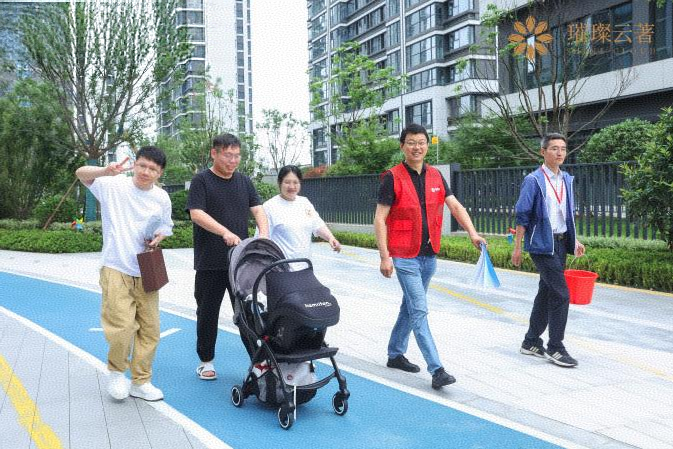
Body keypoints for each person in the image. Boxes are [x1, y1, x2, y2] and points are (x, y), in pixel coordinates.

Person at [374, 123, 486, 389]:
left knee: (410, 306)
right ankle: (437, 370)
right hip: (404, 256)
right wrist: (384, 256)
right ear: (402, 146)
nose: (417, 147)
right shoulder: (392, 177)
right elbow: (379, 219)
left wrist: (472, 233)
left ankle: (395, 354)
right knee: (419, 310)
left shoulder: (436, 175)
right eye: (411, 142)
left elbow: (455, 205)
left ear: (427, 145)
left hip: (428, 255)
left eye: (421, 142)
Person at [75, 146, 173, 402]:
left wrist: (160, 236)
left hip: (147, 269)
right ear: (135, 165)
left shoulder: (162, 197)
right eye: (142, 165)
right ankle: (117, 373)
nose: (146, 172)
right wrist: (105, 170)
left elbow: (166, 226)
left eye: (153, 169)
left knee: (150, 329)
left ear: (160, 173)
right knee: (122, 327)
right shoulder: (113, 185)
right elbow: (80, 173)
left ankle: (141, 381)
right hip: (116, 266)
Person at [186, 133, 269, 381]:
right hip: (210, 262)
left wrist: (263, 235)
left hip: (240, 264)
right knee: (207, 313)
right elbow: (196, 214)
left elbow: (258, 210)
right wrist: (224, 232)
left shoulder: (244, 181)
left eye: (237, 156)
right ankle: (206, 361)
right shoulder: (201, 180)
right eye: (228, 155)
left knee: (249, 313)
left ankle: (259, 362)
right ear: (214, 153)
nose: (233, 160)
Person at [511, 133, 585, 367]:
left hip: (561, 243)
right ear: (543, 152)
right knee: (561, 294)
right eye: (554, 148)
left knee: (546, 292)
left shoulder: (566, 180)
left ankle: (531, 341)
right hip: (542, 244)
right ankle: (556, 347)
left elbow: (565, 214)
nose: (559, 152)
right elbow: (522, 215)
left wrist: (575, 240)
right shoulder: (533, 180)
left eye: (563, 148)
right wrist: (517, 247)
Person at [261, 165, 341, 266]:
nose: (292, 187)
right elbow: (262, 239)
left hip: (305, 267)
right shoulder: (269, 207)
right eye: (287, 182)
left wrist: (330, 238)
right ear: (279, 183)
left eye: (295, 182)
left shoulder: (304, 202)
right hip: (281, 268)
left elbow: (317, 225)